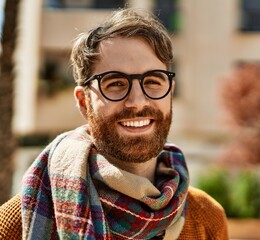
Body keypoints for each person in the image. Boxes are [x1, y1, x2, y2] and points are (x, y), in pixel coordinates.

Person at [0, 8, 228, 240]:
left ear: (170, 93)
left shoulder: (206, 218)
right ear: (83, 101)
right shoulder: (16, 223)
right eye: (116, 83)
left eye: (152, 81)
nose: (137, 101)